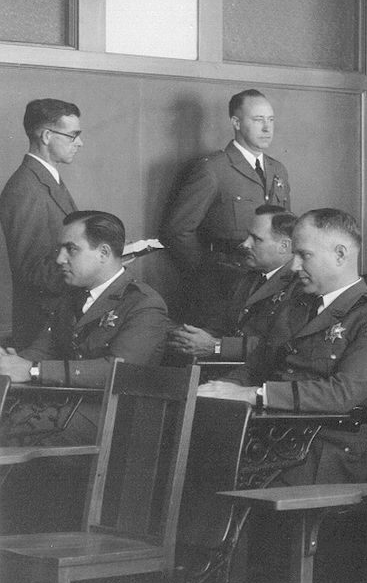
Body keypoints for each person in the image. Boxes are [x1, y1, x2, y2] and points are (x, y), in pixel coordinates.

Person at [198, 208, 367, 485]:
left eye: (304, 255)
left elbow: (341, 394)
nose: (294, 266)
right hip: (266, 437)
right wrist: (212, 393)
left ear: (340, 255)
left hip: (320, 450)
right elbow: (256, 367)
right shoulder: (295, 305)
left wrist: (254, 395)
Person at [160, 89, 291, 326]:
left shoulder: (277, 170)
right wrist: (208, 273)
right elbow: (177, 231)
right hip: (224, 288)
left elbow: (286, 229)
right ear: (236, 122)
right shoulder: (213, 169)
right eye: (258, 120)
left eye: (270, 120)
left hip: (270, 287)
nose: (267, 128)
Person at [0, 211, 171, 390]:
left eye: (71, 249)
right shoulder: (71, 295)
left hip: (108, 412)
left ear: (103, 253)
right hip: (67, 404)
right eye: (60, 250)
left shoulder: (144, 304)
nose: (59, 259)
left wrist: (34, 370)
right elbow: (43, 350)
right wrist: (10, 362)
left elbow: (119, 371)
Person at [167, 206, 299, 363]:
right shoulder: (249, 276)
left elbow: (277, 346)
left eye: (256, 239)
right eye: (247, 236)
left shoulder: (299, 285)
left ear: (284, 246)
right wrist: (188, 336)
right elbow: (223, 325)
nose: (245, 244)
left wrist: (217, 346)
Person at [0, 99, 82, 349]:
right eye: (73, 135)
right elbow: (31, 272)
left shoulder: (46, 179)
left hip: (58, 317)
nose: (79, 143)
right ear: (47, 136)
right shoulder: (25, 189)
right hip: (42, 327)